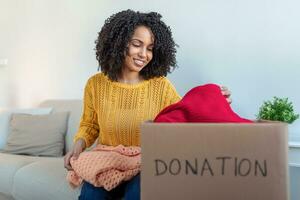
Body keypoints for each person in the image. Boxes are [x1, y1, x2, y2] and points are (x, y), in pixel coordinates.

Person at [64, 9, 231, 200]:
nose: (144, 54)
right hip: (106, 161)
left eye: (150, 48)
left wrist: (215, 100)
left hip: (145, 163)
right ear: (118, 43)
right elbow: (89, 125)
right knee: (91, 196)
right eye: (137, 44)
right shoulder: (95, 84)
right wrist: (77, 148)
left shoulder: (161, 86)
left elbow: (186, 114)